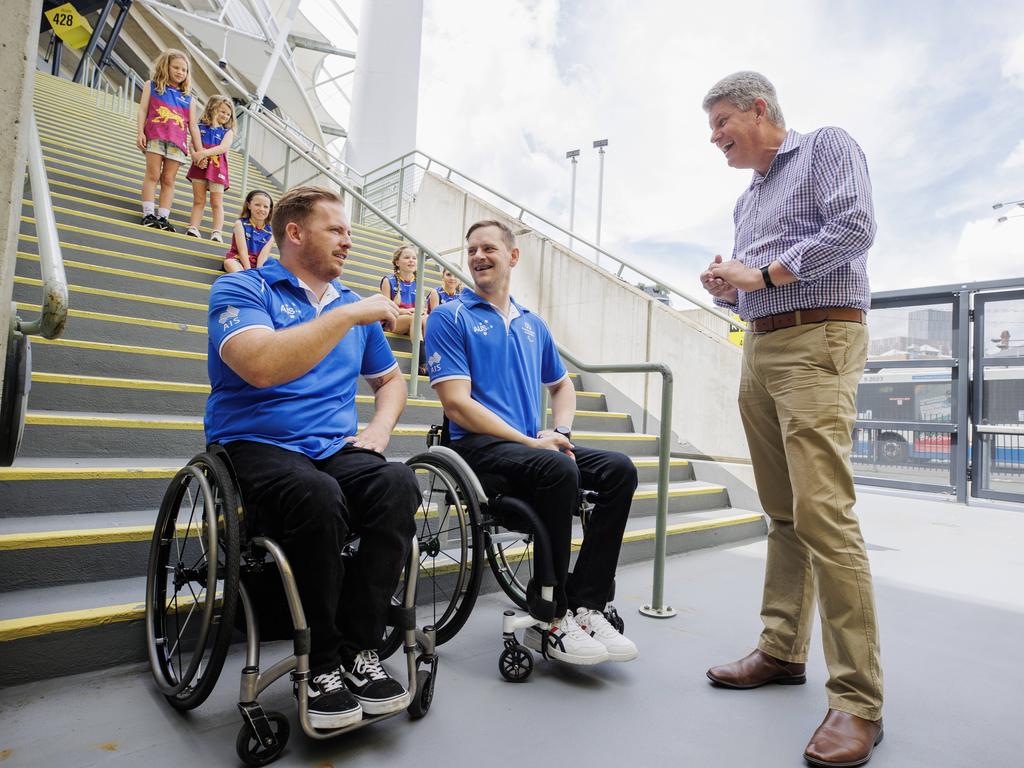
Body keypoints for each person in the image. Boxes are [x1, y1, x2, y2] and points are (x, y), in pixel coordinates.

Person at [698, 71, 883, 767]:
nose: (715, 138)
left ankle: (859, 700)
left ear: (758, 108)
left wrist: (767, 274)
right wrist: (729, 289)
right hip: (763, 348)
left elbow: (855, 227)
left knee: (825, 516)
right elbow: (751, 291)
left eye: (721, 123)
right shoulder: (747, 200)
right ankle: (781, 650)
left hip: (818, 340)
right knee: (783, 515)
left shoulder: (826, 147)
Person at [205, 185, 418, 729]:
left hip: (330, 447)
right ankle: (320, 664)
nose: (348, 242)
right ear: (294, 233)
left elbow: (391, 381)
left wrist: (378, 430)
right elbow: (261, 365)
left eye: (349, 232)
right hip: (256, 446)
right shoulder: (241, 287)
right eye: (337, 230)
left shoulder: (351, 306)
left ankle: (360, 650)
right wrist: (347, 317)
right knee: (317, 495)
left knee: (397, 484)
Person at [425, 219, 639, 667]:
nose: (478, 257)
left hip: (529, 449)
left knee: (619, 469)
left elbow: (563, 387)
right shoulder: (450, 316)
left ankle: (586, 604)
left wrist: (559, 432)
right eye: (472, 250)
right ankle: (550, 614)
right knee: (557, 469)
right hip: (477, 450)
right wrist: (529, 440)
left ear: (512, 256)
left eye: (489, 249)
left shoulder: (532, 324)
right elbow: (457, 405)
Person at [136, 48, 201, 232]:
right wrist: (140, 132)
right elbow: (142, 110)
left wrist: (200, 150)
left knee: (169, 179)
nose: (180, 72)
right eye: (176, 67)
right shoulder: (153, 86)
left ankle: (163, 216)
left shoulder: (189, 98)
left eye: (184, 69)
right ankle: (148, 213)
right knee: (153, 175)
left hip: (177, 142)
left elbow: (193, 126)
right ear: (166, 66)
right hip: (155, 136)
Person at [185, 94, 235, 241]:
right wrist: (196, 156)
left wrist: (203, 153)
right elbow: (192, 144)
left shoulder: (227, 132)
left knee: (216, 202)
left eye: (228, 114)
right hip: (199, 167)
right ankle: (193, 227)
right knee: (199, 200)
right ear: (213, 109)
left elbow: (223, 147)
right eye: (222, 111)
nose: (225, 116)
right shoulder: (199, 128)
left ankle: (217, 232)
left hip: (217, 169)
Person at [224, 190, 274, 273]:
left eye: (265, 207)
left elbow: (263, 256)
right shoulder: (240, 224)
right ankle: (246, 278)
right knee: (229, 263)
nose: (261, 209)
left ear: (270, 210)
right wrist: (249, 271)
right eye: (257, 205)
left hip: (258, 265)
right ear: (249, 205)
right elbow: (242, 252)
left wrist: (258, 272)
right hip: (238, 260)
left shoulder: (271, 232)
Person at [379, 244, 421, 336]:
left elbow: (422, 309)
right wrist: (402, 311)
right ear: (397, 262)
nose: (411, 260)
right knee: (414, 319)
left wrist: (419, 311)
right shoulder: (388, 280)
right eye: (406, 257)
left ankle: (431, 350)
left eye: (414, 258)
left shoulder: (418, 283)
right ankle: (421, 351)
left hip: (412, 319)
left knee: (426, 320)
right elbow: (385, 309)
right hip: (392, 320)